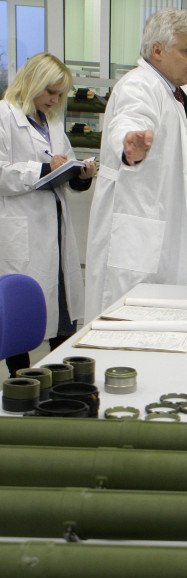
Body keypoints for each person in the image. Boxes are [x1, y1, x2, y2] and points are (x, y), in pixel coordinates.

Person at [84, 9, 187, 320]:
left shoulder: (170, 92)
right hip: (135, 241)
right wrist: (129, 143)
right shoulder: (140, 86)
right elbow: (131, 118)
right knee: (123, 329)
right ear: (157, 50)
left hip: (154, 233)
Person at [0, 53, 96, 373]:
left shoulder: (51, 122)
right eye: (50, 92)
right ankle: (20, 380)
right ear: (32, 84)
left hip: (55, 227)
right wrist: (42, 168)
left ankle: (64, 379)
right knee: (23, 316)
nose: (55, 100)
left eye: (60, 94)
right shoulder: (4, 115)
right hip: (23, 228)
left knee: (64, 311)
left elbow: (63, 164)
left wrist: (80, 174)